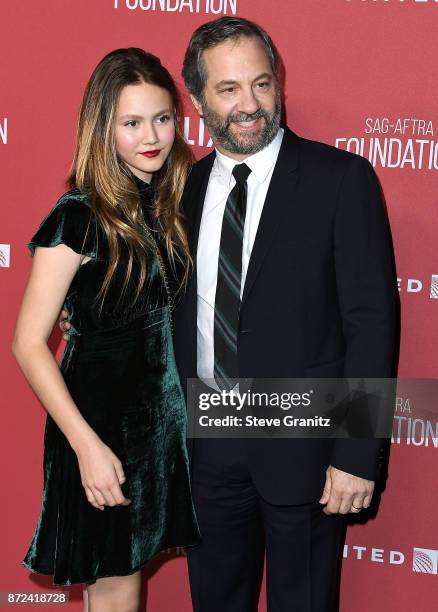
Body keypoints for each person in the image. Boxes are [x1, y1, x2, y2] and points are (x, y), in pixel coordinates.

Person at [171, 17, 397, 611]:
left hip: (308, 452)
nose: (250, 104)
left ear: (279, 84)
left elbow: (371, 323)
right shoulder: (182, 190)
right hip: (207, 451)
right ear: (197, 99)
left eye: (262, 84)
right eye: (229, 89)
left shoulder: (340, 180)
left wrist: (355, 453)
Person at [12, 48, 200, 611]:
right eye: (132, 122)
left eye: (163, 118)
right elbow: (27, 343)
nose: (153, 136)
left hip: (156, 424)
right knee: (114, 581)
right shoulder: (80, 216)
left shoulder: (169, 202)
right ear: (103, 127)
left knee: (129, 574)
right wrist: (87, 446)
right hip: (96, 427)